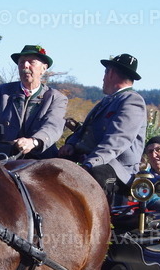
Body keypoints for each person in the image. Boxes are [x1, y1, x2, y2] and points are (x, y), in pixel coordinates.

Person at [59, 53, 147, 198]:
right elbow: (85, 129)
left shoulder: (132, 101)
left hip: (115, 167)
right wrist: (71, 145)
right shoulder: (107, 101)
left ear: (110, 73)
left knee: (89, 177)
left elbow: (117, 141)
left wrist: (90, 163)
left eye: (105, 72)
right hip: (89, 158)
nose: (103, 78)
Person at [0, 44, 68, 159]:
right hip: (3, 157)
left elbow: (53, 126)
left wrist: (34, 142)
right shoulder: (2, 92)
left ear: (43, 69)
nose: (25, 65)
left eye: (31, 62)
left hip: (41, 160)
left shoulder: (56, 98)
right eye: (22, 62)